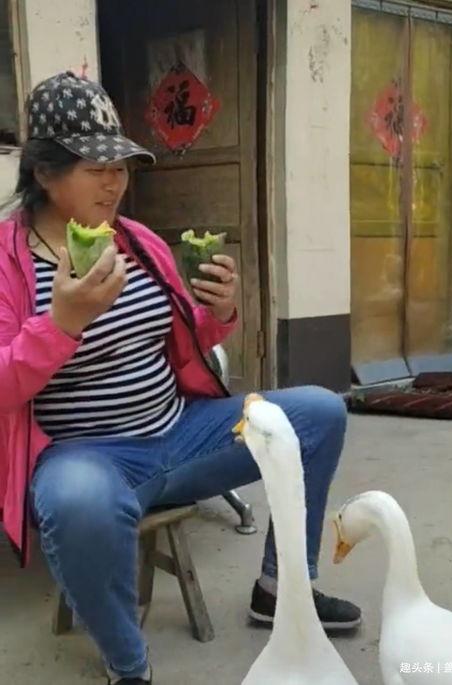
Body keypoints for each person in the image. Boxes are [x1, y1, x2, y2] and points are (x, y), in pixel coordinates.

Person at [0, 72, 360, 685]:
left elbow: (182, 337)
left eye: (120, 167)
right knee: (76, 503)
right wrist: (61, 325)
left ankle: (281, 588)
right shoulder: (8, 261)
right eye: (95, 168)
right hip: (87, 456)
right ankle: (128, 663)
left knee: (320, 413)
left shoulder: (139, 242)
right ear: (44, 173)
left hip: (182, 435)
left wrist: (218, 311)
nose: (114, 182)